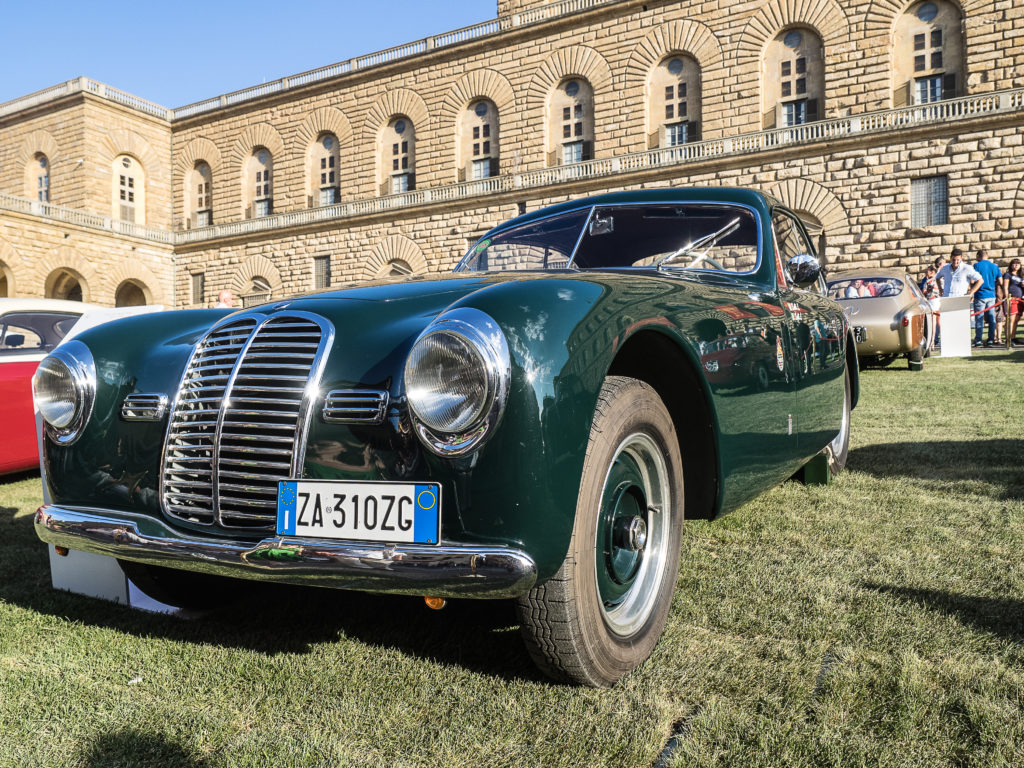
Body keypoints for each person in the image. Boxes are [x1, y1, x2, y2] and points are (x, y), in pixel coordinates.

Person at [971, 249, 1001, 346]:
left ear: (978, 256)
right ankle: (990, 339)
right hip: (991, 295)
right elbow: (1000, 281)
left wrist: (971, 291)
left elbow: (972, 281)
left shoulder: (976, 265)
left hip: (980, 295)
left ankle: (978, 340)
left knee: (979, 318)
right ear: (987, 256)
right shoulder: (995, 266)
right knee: (992, 318)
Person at [1003, 258, 1024, 346]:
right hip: (1012, 299)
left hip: (1020, 300)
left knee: (1016, 320)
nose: (1016, 266)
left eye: (1017, 264)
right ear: (1011, 265)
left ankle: (1013, 337)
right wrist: (1007, 297)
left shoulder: (1021, 276)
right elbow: (1005, 287)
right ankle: (1008, 339)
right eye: (1014, 264)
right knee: (1011, 319)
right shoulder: (1008, 274)